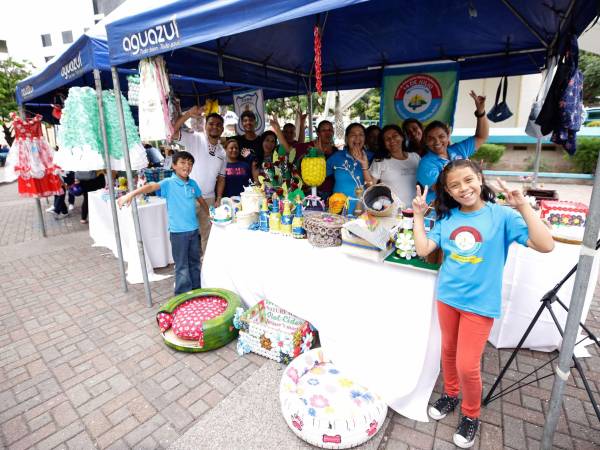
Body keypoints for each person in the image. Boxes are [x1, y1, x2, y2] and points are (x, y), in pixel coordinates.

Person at [412, 160, 554, 448]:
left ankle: (471, 414)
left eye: (468, 180)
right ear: (448, 192)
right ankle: (451, 395)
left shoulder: (501, 216)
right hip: (448, 298)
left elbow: (546, 245)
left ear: (480, 178)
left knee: (468, 365)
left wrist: (524, 207)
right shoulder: (447, 218)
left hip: (480, 304)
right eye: (454, 185)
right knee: (448, 353)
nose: (463, 188)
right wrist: (417, 217)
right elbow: (425, 249)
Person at [118, 151, 209, 295]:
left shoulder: (193, 183)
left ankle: (196, 292)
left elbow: (201, 199)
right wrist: (131, 194)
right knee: (182, 267)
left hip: (193, 230)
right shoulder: (169, 183)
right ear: (174, 165)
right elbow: (151, 187)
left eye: (190, 163)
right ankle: (182, 296)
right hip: (178, 233)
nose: (187, 166)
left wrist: (210, 214)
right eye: (183, 163)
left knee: (195, 263)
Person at [172, 107, 226, 258]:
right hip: (187, 196)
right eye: (211, 123)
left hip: (208, 199)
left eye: (218, 124)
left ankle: (206, 270)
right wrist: (188, 114)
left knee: (208, 236)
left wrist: (219, 198)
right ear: (205, 125)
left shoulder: (222, 152)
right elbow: (173, 131)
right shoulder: (194, 138)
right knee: (185, 235)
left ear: (222, 129)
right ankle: (184, 268)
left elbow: (221, 178)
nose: (214, 126)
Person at [416, 91, 489, 203]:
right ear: (425, 141)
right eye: (431, 138)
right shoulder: (426, 163)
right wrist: (472, 173)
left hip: (465, 205)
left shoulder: (458, 149)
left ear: (448, 136)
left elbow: (481, 136)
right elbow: (442, 190)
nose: (437, 141)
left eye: (441, 136)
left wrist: (481, 112)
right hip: (440, 212)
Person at [362, 124, 420, 207]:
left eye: (395, 136)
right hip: (391, 212)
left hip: (416, 210)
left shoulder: (415, 157)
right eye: (387, 139)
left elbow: (423, 183)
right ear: (384, 144)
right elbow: (370, 186)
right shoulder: (380, 161)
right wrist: (364, 165)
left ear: (402, 137)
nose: (392, 140)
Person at [326, 123, 374, 198]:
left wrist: (364, 165)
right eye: (353, 135)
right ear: (346, 139)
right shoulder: (336, 156)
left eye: (361, 135)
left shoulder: (372, 157)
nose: (357, 138)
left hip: (363, 208)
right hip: (338, 207)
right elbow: (320, 175)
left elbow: (372, 188)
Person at [294, 120, 338, 200]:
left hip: (331, 193)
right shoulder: (308, 147)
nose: (327, 133)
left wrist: (321, 155)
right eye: (324, 130)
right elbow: (290, 150)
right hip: (310, 192)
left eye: (330, 130)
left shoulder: (336, 151)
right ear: (318, 133)